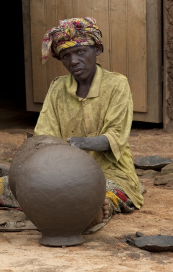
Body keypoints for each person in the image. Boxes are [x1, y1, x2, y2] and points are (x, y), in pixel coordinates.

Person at [35, 16, 143, 229]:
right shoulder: (58, 87)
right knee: (4, 188)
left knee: (107, 193)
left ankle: (99, 206)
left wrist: (75, 144)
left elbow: (114, 137)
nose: (73, 61)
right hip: (63, 171)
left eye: (80, 52)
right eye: (66, 56)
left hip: (109, 170)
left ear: (97, 50)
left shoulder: (116, 85)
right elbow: (43, 136)